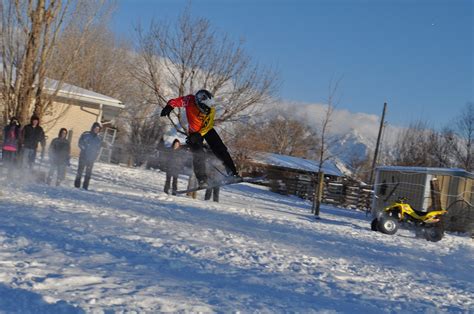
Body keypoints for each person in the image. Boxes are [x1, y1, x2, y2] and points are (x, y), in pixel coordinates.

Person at [161, 89, 238, 188]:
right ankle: (202, 181)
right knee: (198, 154)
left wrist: (198, 135)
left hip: (207, 129)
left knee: (221, 149)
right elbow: (175, 101)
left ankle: (232, 173)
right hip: (193, 132)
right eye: (204, 108)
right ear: (198, 103)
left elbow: (207, 126)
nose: (206, 110)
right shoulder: (189, 100)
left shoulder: (211, 108)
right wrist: (169, 106)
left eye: (208, 108)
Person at [74, 122, 102, 190]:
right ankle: (77, 185)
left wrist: (96, 155)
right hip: (83, 156)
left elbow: (98, 148)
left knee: (88, 173)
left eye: (98, 129)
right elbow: (80, 143)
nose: (96, 130)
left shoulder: (99, 138)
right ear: (93, 128)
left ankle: (85, 186)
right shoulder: (86, 134)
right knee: (80, 171)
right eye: (96, 128)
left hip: (91, 158)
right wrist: (84, 149)